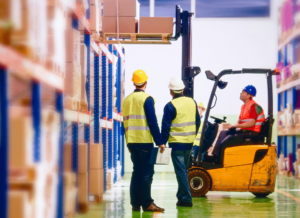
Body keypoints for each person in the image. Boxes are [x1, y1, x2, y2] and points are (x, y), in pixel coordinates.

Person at [122, 69, 166, 212]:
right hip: (144, 142)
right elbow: (152, 122)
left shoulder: (126, 100)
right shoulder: (147, 99)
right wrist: (160, 141)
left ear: (134, 83)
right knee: (147, 173)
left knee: (136, 172)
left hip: (132, 143)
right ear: (146, 82)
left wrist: (128, 142)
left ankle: (135, 204)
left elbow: (125, 123)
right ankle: (147, 203)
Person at [161, 77, 201, 207]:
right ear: (183, 89)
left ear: (171, 92)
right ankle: (181, 196)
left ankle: (186, 199)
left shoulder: (170, 106)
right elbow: (198, 121)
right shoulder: (192, 102)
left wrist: (162, 142)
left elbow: (165, 126)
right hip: (189, 142)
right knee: (183, 170)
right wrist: (192, 136)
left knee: (181, 171)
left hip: (176, 143)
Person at [210, 85, 265, 163]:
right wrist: (232, 126)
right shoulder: (243, 106)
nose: (240, 93)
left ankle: (220, 160)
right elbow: (239, 121)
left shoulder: (253, 106)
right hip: (246, 131)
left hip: (253, 132)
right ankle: (215, 156)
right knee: (224, 132)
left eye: (243, 92)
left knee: (229, 139)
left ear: (249, 95)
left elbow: (251, 123)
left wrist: (236, 126)